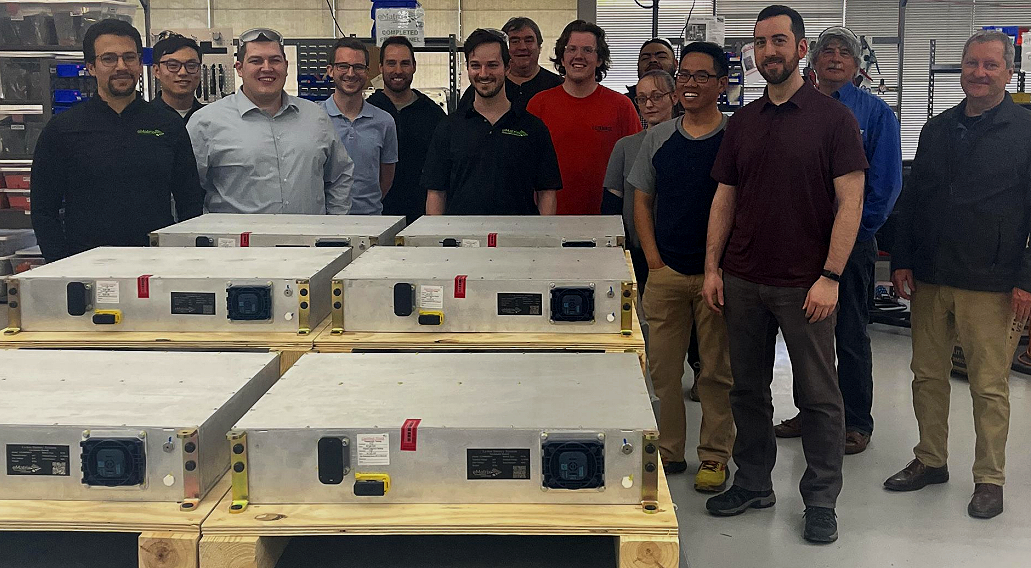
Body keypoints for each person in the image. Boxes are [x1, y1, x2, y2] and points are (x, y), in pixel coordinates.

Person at [701, 5, 867, 544]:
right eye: (760, 42)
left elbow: (851, 202)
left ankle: (820, 500)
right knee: (747, 391)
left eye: (778, 40)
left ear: (800, 49)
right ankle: (753, 483)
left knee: (818, 396)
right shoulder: (743, 122)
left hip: (806, 285)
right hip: (743, 279)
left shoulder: (834, 120)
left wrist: (831, 276)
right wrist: (713, 267)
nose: (768, 51)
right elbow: (724, 198)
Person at [884, 30, 1031, 520]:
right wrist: (901, 258)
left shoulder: (1025, 131)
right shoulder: (937, 128)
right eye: (971, 64)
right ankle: (931, 459)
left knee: (989, 385)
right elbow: (914, 199)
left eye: (990, 65)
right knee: (927, 375)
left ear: (1009, 71)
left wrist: (1027, 278)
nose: (979, 73)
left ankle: (990, 478)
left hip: (992, 279)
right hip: (931, 275)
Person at [774, 26, 903, 455]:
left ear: (856, 65)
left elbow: (884, 187)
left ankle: (856, 421)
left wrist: (852, 236)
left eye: (843, 53)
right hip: (801, 242)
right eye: (826, 51)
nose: (834, 58)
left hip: (852, 244)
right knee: (804, 335)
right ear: (812, 60)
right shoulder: (796, 108)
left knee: (849, 334)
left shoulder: (876, 115)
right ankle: (809, 411)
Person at [630, 42, 735, 493]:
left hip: (719, 278)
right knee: (663, 371)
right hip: (667, 273)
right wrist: (654, 261)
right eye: (684, 76)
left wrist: (723, 267)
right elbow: (641, 202)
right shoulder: (658, 138)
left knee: (716, 373)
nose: (690, 84)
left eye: (701, 76)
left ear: (722, 84)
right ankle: (669, 450)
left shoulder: (735, 137)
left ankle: (714, 455)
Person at [31, 19, 203, 262]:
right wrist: (61, 265)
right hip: (86, 265)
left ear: (140, 63)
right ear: (91, 67)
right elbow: (43, 211)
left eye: (129, 57)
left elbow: (190, 202)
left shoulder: (168, 125)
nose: (121, 66)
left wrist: (184, 259)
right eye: (109, 59)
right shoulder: (63, 129)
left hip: (156, 264)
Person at [187, 28, 353, 214]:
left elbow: (340, 176)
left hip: (309, 233)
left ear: (286, 66)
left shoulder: (316, 117)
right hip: (238, 234)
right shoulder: (206, 122)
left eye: (275, 60)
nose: (267, 68)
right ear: (239, 68)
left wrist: (333, 223)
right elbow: (185, 190)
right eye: (256, 61)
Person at [422, 29, 561, 216]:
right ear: (468, 68)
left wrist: (544, 232)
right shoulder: (448, 128)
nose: (483, 73)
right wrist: (438, 233)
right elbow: (436, 193)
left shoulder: (533, 128)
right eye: (475, 65)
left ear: (507, 67)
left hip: (520, 233)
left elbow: (547, 192)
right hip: (461, 233)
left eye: (492, 65)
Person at [526, 20, 641, 215]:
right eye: (571, 49)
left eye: (588, 50)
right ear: (562, 58)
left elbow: (636, 168)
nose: (578, 56)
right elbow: (524, 168)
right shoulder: (538, 105)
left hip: (607, 221)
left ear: (599, 59)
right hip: (549, 220)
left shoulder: (622, 107)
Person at [603, 70, 675, 289]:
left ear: (674, 97)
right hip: (635, 252)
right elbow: (611, 207)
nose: (649, 104)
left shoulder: (688, 142)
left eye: (657, 96)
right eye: (642, 99)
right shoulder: (626, 146)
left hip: (680, 250)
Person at [369, 36, 446, 224]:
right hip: (374, 217)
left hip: (421, 218)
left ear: (414, 66)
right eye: (391, 63)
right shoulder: (367, 112)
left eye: (405, 63)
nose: (398, 70)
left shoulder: (433, 114)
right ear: (380, 67)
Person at [322, 37, 398, 215]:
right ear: (330, 71)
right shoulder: (315, 118)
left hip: (370, 221)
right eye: (343, 66)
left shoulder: (384, 122)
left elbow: (386, 179)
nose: (350, 73)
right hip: (325, 221)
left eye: (358, 67)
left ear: (367, 72)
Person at [456, 17, 564, 111]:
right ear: (504, 49)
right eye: (514, 41)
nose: (522, 47)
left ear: (539, 47)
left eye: (528, 40)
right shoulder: (479, 91)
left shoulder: (558, 86)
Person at [151, 33, 204, 122]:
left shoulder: (211, 118)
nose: (183, 72)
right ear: (157, 71)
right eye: (173, 65)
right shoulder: (142, 118)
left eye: (191, 65)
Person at [628, 38, 677, 125]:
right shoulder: (626, 104)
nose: (653, 60)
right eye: (645, 58)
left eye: (661, 57)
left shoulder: (689, 102)